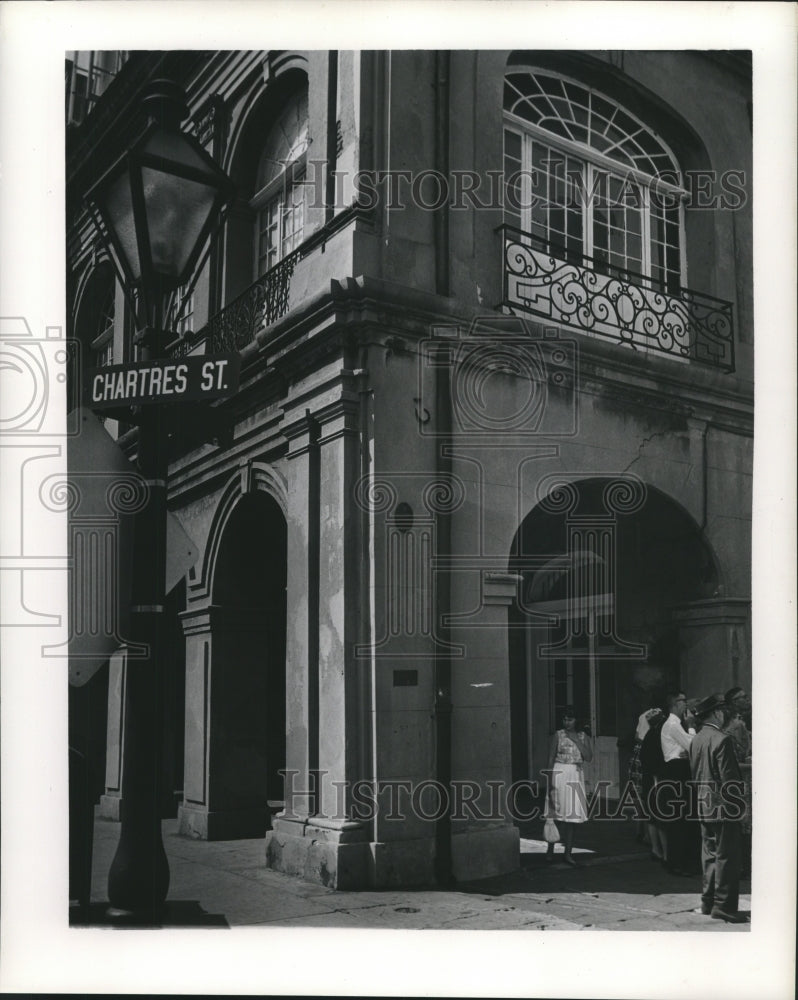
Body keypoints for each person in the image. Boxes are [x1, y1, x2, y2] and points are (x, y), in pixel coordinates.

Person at [689, 692, 749, 923]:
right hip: (723, 808)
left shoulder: (698, 738)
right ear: (715, 713)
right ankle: (724, 907)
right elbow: (730, 781)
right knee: (727, 858)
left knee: (710, 856)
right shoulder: (721, 739)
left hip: (704, 804)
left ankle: (708, 902)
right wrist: (739, 809)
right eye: (723, 710)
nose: (725, 714)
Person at [544, 708, 593, 866]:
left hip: (575, 774)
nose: (567, 722)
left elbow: (589, 757)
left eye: (570, 719)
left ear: (576, 720)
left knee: (571, 816)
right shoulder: (558, 735)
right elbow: (551, 757)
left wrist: (578, 741)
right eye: (565, 719)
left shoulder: (582, 736)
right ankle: (550, 850)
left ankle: (568, 853)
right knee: (555, 812)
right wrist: (550, 780)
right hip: (559, 773)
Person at [659, 691, 699, 875]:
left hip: (679, 770)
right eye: (683, 701)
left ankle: (679, 861)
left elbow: (689, 748)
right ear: (675, 704)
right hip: (676, 772)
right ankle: (677, 863)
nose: (686, 704)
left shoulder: (675, 725)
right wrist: (691, 727)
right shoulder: (673, 724)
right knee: (679, 819)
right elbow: (692, 745)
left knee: (682, 818)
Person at [724, 687, 752, 876]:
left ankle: (744, 865)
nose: (746, 700)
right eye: (741, 698)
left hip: (739, 779)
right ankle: (745, 867)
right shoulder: (736, 726)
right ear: (734, 702)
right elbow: (739, 757)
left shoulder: (740, 722)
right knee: (744, 823)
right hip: (743, 780)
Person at [627, 707, 662, 845]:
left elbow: (636, 736)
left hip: (636, 756)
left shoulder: (643, 715)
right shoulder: (657, 715)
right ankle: (648, 834)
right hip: (646, 755)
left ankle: (640, 831)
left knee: (638, 796)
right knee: (647, 795)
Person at [639, 708, 668, 864]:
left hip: (650, 781)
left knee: (652, 817)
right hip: (655, 781)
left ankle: (656, 849)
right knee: (660, 819)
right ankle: (663, 852)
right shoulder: (656, 736)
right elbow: (652, 762)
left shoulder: (650, 735)